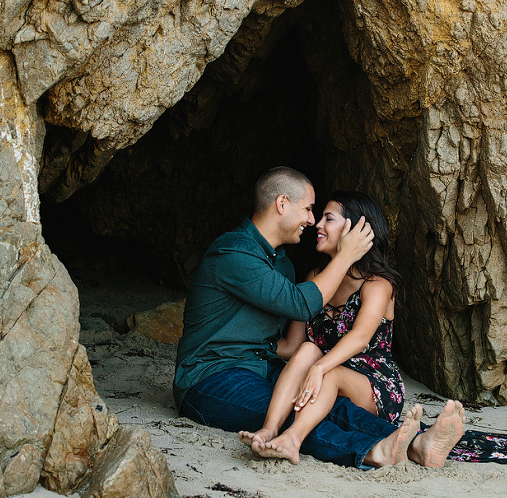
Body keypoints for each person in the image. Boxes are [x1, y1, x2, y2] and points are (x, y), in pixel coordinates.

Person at [174, 166, 467, 468]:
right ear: (282, 204)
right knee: (293, 409)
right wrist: (345, 256)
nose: (312, 221)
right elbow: (301, 305)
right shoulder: (235, 254)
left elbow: (289, 342)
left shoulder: (282, 265)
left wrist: (300, 359)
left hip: (259, 367)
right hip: (211, 376)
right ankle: (373, 450)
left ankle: (418, 444)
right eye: (309, 209)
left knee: (316, 401)